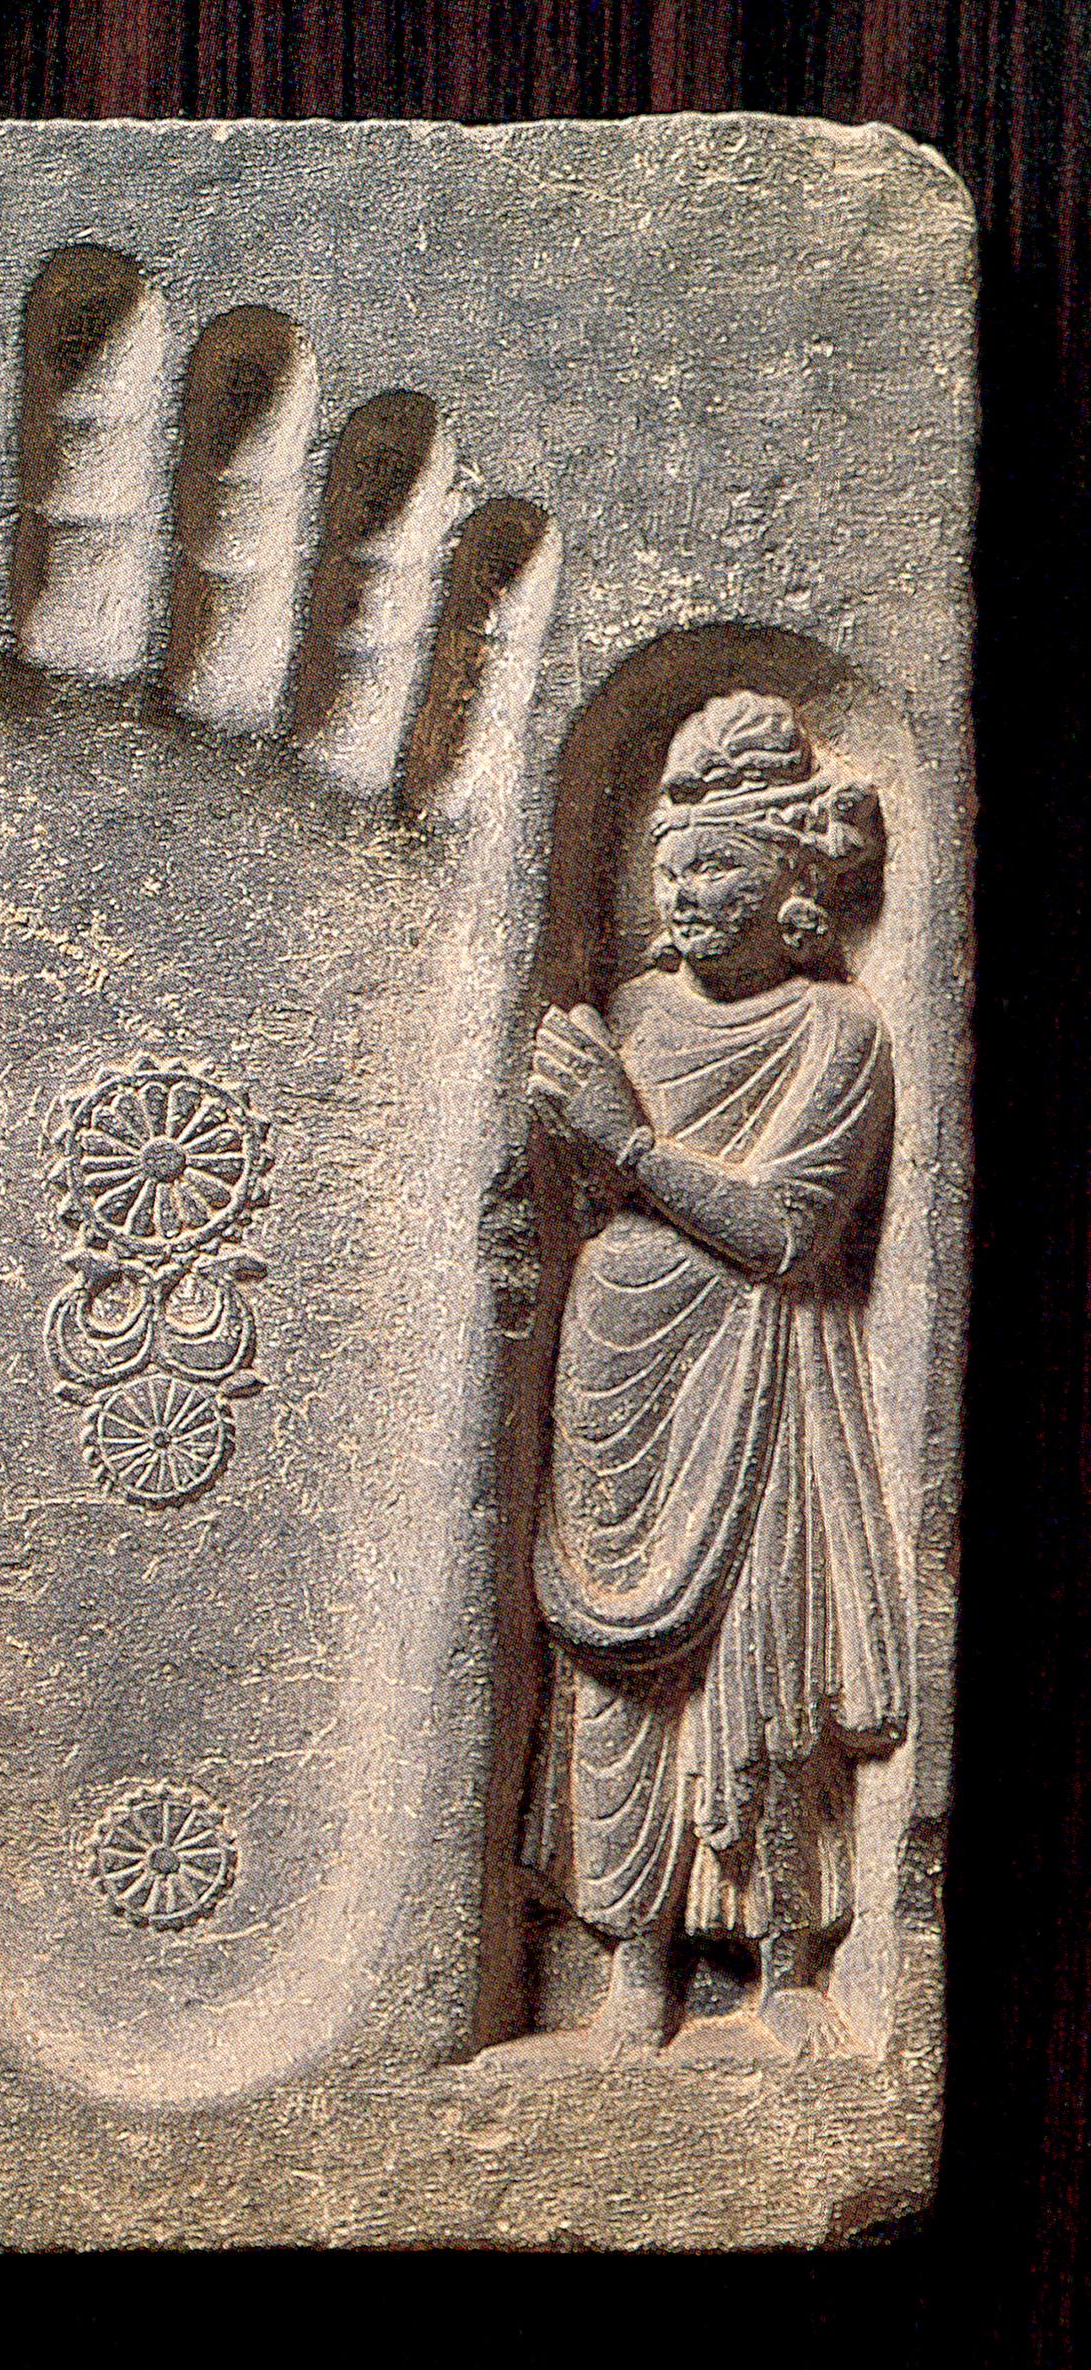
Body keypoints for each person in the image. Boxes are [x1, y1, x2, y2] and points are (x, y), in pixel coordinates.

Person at [517, 688, 907, 2060]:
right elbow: (569, 1189)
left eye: (717, 871)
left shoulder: (836, 1031)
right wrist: (575, 1148)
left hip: (759, 1361)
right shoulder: (631, 1012)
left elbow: (792, 1232)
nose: (683, 896)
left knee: (765, 1659)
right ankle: (632, 1962)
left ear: (792, 891)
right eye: (671, 871)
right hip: (619, 1358)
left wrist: (625, 1145)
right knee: (617, 1677)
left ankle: (788, 1961)